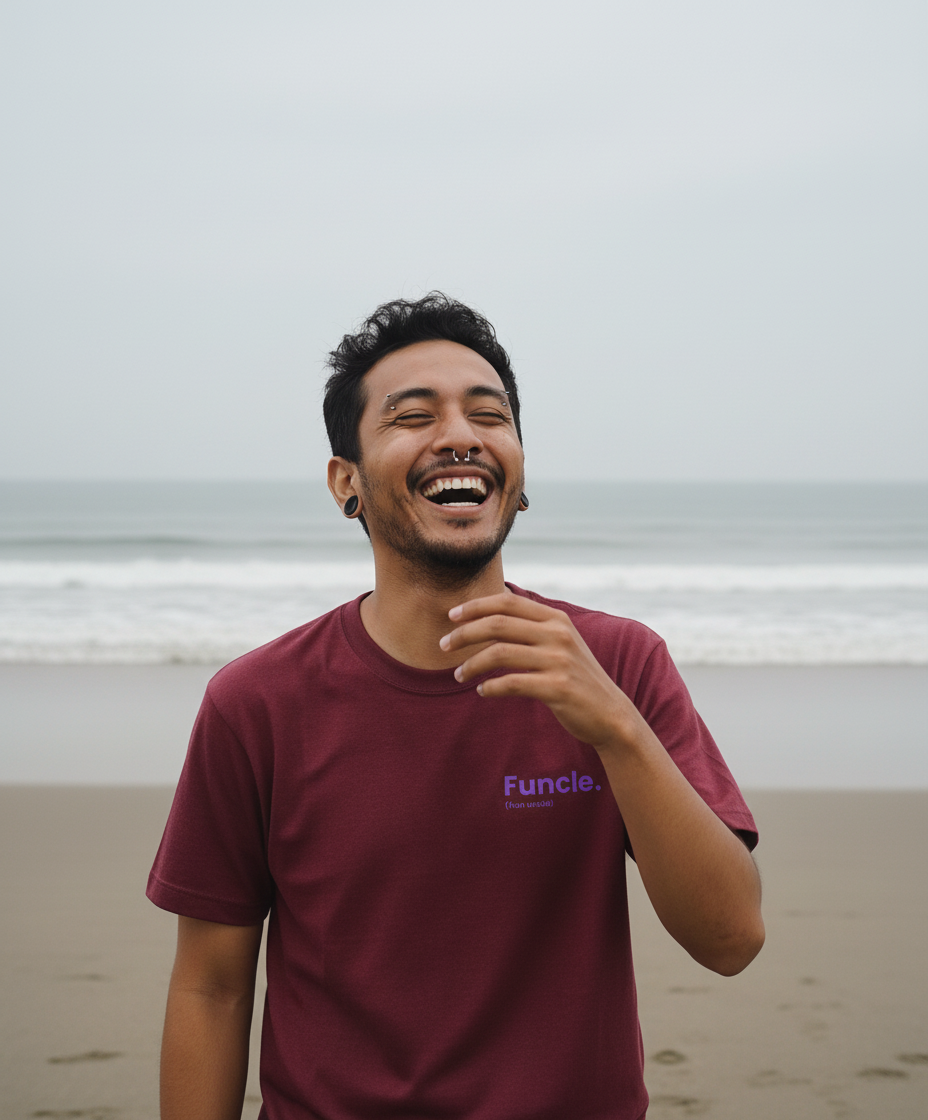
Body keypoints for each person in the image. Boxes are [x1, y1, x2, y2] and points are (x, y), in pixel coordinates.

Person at [148, 292, 764, 1120]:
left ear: (517, 468)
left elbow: (730, 940)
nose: (461, 435)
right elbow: (211, 988)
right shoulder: (256, 702)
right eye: (411, 417)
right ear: (346, 483)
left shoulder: (617, 664)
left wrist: (615, 728)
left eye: (490, 415)